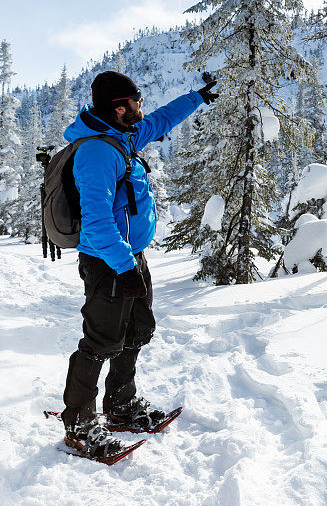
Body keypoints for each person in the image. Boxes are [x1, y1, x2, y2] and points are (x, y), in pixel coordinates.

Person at [61, 70, 218, 458]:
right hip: (108, 262)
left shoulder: (123, 136)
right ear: (119, 108)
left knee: (137, 331)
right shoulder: (97, 153)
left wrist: (197, 97)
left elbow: (161, 120)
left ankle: (119, 406)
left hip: (131, 258)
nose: (141, 107)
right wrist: (124, 267)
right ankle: (79, 426)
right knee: (100, 342)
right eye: (136, 101)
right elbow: (96, 223)